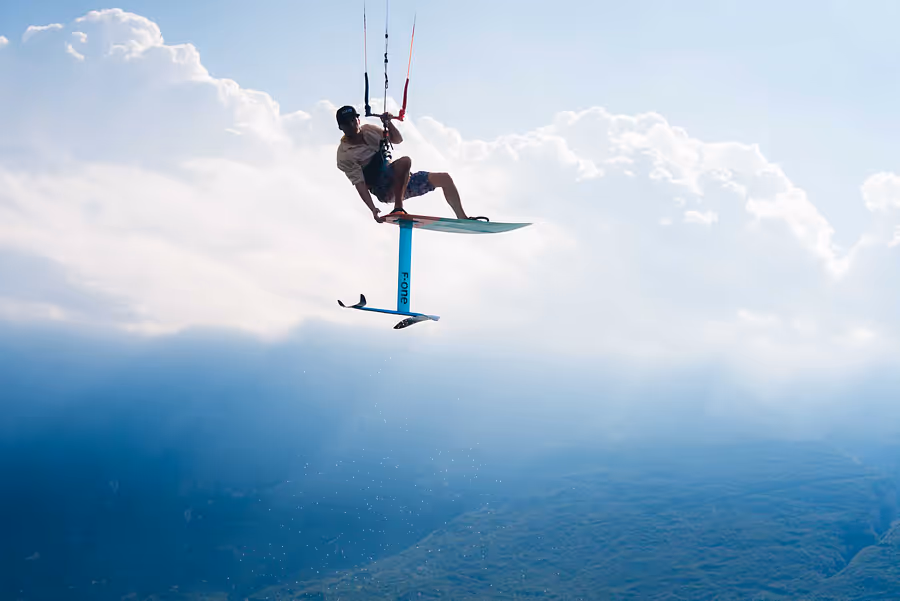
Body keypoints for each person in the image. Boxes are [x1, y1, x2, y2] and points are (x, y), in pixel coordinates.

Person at [334, 105, 486, 223]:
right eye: (347, 123)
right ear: (341, 127)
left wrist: (389, 123)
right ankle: (398, 208)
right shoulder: (344, 155)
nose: (352, 124)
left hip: (400, 181)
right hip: (383, 189)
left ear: (358, 119)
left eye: (354, 120)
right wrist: (373, 209)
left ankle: (462, 217)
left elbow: (397, 140)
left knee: (444, 179)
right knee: (405, 161)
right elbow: (360, 185)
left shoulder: (369, 130)